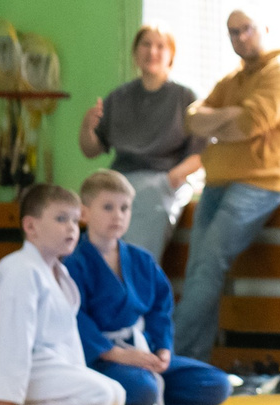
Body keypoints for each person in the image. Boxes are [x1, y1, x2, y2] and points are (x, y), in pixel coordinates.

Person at [172, 10, 280, 365]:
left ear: (265, 29)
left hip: (258, 185)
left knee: (207, 267)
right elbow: (191, 118)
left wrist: (221, 122)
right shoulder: (233, 79)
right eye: (233, 32)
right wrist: (228, 117)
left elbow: (249, 124)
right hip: (216, 183)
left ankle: (168, 355)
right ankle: (192, 363)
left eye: (247, 29)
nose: (241, 38)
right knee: (198, 270)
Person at [64, 169, 230, 405]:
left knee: (217, 384)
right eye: (108, 207)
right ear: (84, 213)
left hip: (143, 352)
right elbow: (74, 318)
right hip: (100, 358)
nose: (118, 215)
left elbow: (160, 309)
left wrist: (162, 350)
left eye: (125, 208)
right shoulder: (73, 264)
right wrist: (114, 354)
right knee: (142, 389)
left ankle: (151, 389)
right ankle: (146, 390)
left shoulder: (141, 260)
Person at [0, 184, 128, 405]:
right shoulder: (21, 269)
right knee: (100, 395)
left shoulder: (59, 273)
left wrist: (78, 372)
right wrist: (4, 399)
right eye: (61, 219)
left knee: (116, 395)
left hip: (43, 367)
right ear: (31, 226)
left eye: (75, 221)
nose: (71, 228)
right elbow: (12, 336)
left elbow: (67, 340)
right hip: (5, 369)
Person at [77, 24, 202, 259]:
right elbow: (91, 149)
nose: (152, 51)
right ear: (135, 52)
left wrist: (170, 179)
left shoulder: (185, 98)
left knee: (142, 229)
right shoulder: (119, 97)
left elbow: (201, 153)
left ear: (171, 55)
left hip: (162, 181)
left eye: (160, 46)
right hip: (120, 179)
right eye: (146, 44)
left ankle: (134, 278)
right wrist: (86, 127)